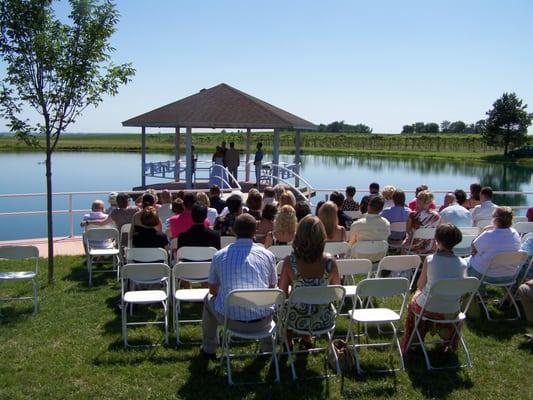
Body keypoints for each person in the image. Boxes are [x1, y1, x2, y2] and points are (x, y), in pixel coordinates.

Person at [201, 214, 277, 357]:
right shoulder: (268, 255)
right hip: (263, 321)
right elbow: (272, 288)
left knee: (208, 299)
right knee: (266, 299)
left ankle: (209, 348)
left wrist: (228, 295)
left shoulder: (219, 256)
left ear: (234, 231)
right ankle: (267, 347)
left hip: (230, 320)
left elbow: (213, 289)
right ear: (255, 232)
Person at [400, 224, 467, 354]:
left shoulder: (430, 260)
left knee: (414, 300)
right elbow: (463, 289)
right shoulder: (463, 263)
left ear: (436, 239)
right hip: (452, 309)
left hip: (429, 307)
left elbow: (420, 285)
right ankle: (445, 335)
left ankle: (414, 340)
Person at [278, 216, 341, 347]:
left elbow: (281, 293)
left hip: (296, 320)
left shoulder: (290, 261)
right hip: (323, 318)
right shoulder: (330, 261)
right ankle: (307, 338)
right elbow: (337, 291)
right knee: (310, 301)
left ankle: (288, 341)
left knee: (285, 305)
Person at [466, 206, 521, 283]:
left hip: (488, 276)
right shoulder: (515, 233)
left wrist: (484, 230)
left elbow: (473, 247)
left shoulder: (488, 234)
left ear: (496, 219)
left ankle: (480, 293)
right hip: (510, 275)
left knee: (466, 262)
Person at [403, 190, 440, 254]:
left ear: (421, 200)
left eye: (417, 198)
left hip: (415, 245)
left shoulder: (413, 215)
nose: (416, 199)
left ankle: (404, 262)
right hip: (431, 246)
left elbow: (407, 230)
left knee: (403, 246)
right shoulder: (436, 216)